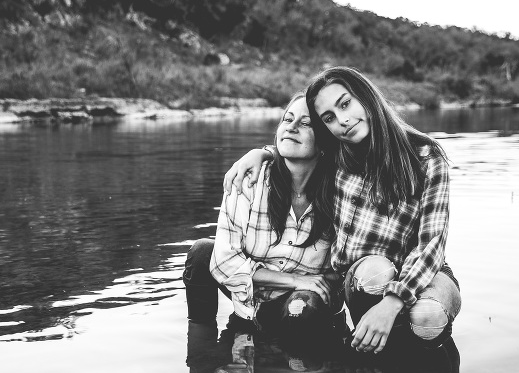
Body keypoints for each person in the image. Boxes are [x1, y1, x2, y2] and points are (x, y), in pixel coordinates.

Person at [224, 66, 461, 353]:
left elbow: (431, 244)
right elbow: (298, 152)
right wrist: (262, 154)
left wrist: (393, 302)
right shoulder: (338, 155)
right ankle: (376, 354)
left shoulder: (426, 156)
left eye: (345, 103)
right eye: (329, 118)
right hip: (365, 278)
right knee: (376, 271)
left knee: (427, 317)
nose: (343, 121)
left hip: (422, 272)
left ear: (366, 95)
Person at [184, 93, 344, 336]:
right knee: (202, 253)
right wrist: (294, 280)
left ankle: (303, 368)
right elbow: (225, 262)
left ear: (325, 141)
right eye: (287, 119)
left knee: (301, 307)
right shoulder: (249, 178)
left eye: (305, 123)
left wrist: (305, 286)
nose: (291, 127)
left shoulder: (341, 190)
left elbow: (340, 268)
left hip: (305, 300)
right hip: (252, 295)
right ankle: (202, 350)